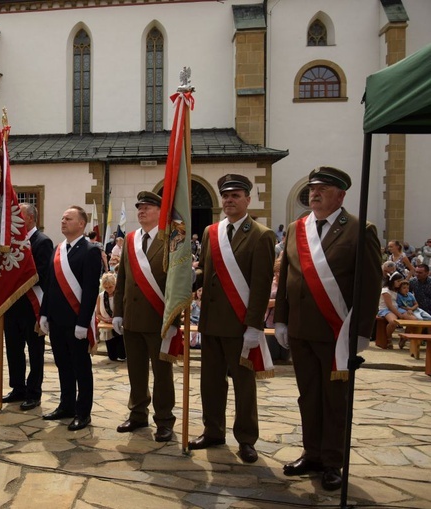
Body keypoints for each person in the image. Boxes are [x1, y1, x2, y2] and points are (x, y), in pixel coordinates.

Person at [275, 166, 382, 491]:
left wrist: (362, 331)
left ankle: (333, 462)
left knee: (335, 399)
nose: (315, 193)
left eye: (323, 189)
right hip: (301, 331)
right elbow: (286, 281)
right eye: (312, 188)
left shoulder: (359, 230)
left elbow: (370, 284)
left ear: (341, 195)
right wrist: (280, 318)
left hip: (337, 334)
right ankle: (312, 453)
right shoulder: (296, 229)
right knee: (308, 396)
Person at [189, 174, 276, 464]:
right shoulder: (210, 232)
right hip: (212, 322)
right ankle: (213, 430)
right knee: (210, 382)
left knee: (243, 384)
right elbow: (205, 271)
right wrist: (188, 279)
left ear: (248, 200)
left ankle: (246, 438)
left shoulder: (261, 235)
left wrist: (255, 326)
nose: (229, 200)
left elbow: (261, 284)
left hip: (240, 325)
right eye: (225, 196)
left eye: (236, 195)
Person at [112, 190, 175, 442]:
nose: (142, 211)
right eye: (139, 207)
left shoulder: (171, 239)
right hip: (132, 319)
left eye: (147, 207)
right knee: (136, 371)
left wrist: (174, 319)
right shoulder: (130, 240)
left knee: (162, 374)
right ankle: (138, 413)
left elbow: (176, 284)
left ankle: (164, 420)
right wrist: (118, 313)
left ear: (160, 212)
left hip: (159, 319)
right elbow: (122, 279)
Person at [39, 206, 103, 431]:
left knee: (80, 367)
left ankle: (83, 412)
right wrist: (44, 313)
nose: (63, 221)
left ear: (81, 224)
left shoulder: (90, 250)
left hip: (76, 322)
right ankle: (66, 405)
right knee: (62, 365)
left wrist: (83, 323)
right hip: (56, 320)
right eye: (63, 218)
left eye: (69, 219)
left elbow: (90, 290)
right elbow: (49, 285)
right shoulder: (58, 249)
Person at [2, 203, 54, 410]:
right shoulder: (13, 242)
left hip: (32, 306)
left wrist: (14, 279)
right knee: (14, 349)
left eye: (19, 217)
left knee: (34, 351)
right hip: (12, 305)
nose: (15, 221)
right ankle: (18, 388)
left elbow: (42, 273)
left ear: (31, 219)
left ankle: (34, 392)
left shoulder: (42, 242)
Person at [377, 271, 413, 348]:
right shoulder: (386, 291)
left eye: (401, 281)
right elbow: (390, 306)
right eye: (398, 281)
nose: (400, 283)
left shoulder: (396, 290)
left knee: (413, 320)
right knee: (393, 322)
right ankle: (389, 338)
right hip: (385, 309)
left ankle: (403, 338)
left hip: (397, 308)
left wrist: (408, 309)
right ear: (392, 281)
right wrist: (399, 315)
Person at [97, 272, 126, 361]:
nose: (108, 289)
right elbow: (98, 314)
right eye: (106, 287)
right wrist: (105, 319)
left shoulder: (120, 295)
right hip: (107, 328)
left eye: (110, 287)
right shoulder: (101, 296)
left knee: (122, 355)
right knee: (112, 357)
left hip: (119, 326)